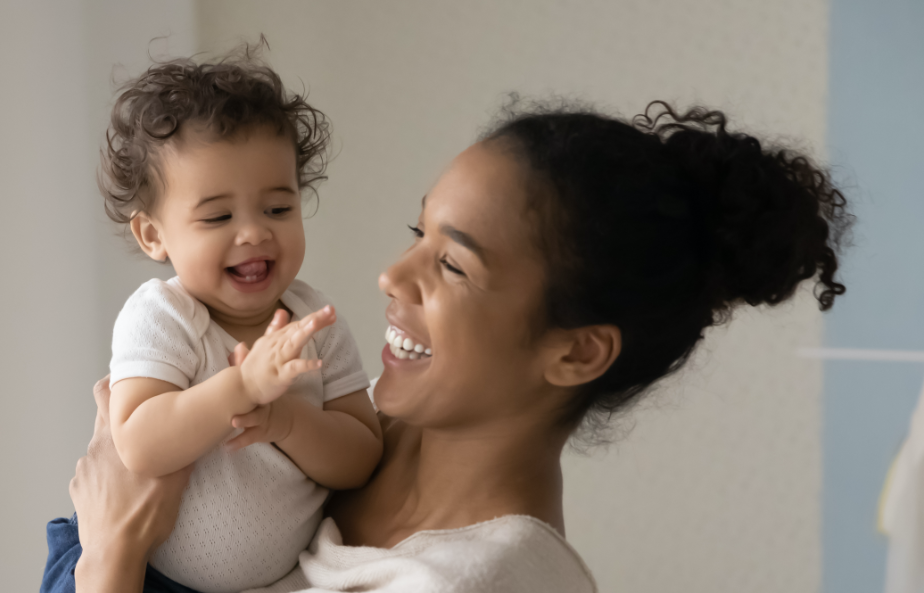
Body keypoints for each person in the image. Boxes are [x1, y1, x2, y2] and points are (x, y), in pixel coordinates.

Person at [57, 100, 851, 592]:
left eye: (452, 263)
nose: (390, 275)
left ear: (576, 353)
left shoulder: (484, 580)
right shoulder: (360, 425)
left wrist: (114, 556)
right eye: (417, 231)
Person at [43, 46, 382, 593]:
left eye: (278, 208)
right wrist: (241, 386)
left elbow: (362, 457)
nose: (253, 233)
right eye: (219, 216)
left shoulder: (314, 326)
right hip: (145, 574)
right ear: (154, 235)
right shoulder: (165, 315)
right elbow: (139, 444)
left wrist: (289, 422)